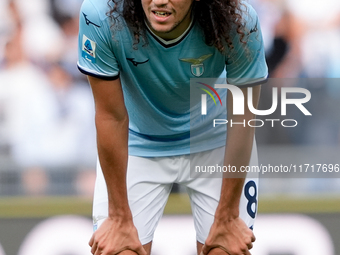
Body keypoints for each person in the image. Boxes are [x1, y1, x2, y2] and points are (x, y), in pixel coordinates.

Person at [77, 0, 268, 253]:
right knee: (119, 248)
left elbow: (242, 118)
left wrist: (229, 216)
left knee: (225, 247)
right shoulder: (99, 14)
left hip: (217, 141)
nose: (159, 1)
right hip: (136, 142)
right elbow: (112, 117)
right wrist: (119, 216)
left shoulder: (240, 19)